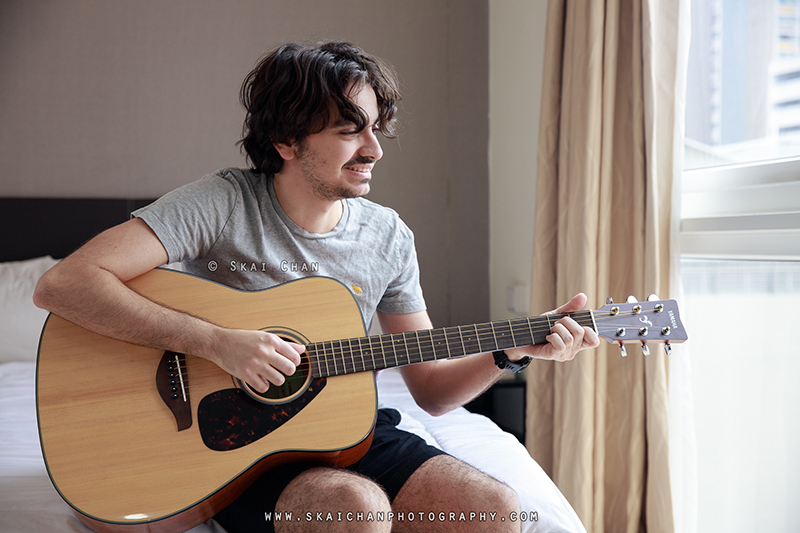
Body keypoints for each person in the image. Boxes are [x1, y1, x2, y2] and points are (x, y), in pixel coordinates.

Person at [33, 41, 600, 532]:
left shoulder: (387, 237)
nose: (374, 149)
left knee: (495, 508)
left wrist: (511, 351)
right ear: (285, 139)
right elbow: (65, 284)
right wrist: (217, 342)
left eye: (376, 128)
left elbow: (428, 390)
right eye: (350, 129)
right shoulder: (224, 202)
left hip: (350, 429)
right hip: (235, 444)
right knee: (353, 509)